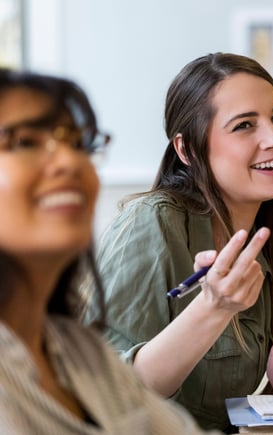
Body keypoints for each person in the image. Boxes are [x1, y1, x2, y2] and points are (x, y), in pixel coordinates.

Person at [88, 53, 273, 432]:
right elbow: (105, 390)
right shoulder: (151, 226)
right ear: (187, 150)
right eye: (244, 125)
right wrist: (212, 309)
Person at [0, 70, 217, 433]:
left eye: (78, 143)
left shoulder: (79, 351)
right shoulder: (153, 219)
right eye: (25, 142)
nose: (69, 162)